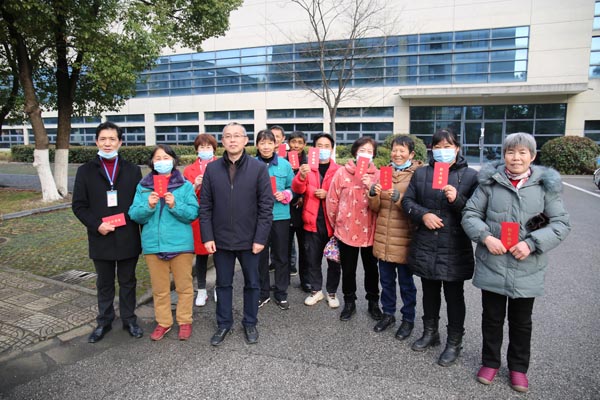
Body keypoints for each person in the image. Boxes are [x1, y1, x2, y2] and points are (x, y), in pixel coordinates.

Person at [462, 132, 571, 393]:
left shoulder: (545, 186)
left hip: (527, 266)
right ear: (504, 155)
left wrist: (532, 243)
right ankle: (490, 362)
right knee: (492, 318)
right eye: (511, 152)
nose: (516, 157)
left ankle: (518, 368)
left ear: (532, 156)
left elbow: (560, 223)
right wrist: (486, 237)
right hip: (493, 262)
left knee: (521, 322)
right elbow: (470, 214)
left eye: (522, 152)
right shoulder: (490, 183)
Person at [402, 128, 478, 367]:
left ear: (457, 149)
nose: (442, 151)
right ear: (431, 149)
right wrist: (423, 215)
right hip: (426, 242)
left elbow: (477, 212)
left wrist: (457, 199)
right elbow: (407, 201)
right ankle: (430, 332)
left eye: (448, 147)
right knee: (429, 290)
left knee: (454, 296)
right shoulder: (422, 173)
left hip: (454, 245)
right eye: (438, 147)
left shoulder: (471, 176)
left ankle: (454, 341)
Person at [199, 122, 274, 346]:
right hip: (221, 239)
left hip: (250, 240)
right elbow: (205, 206)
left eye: (237, 136)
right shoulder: (212, 169)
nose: (232, 140)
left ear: (245, 140)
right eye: (228, 136)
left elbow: (266, 206)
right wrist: (207, 236)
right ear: (222, 141)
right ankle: (224, 323)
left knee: (252, 283)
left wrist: (260, 238)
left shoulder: (258, 168)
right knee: (223, 284)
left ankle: (250, 322)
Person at [72, 121, 143, 343]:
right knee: (104, 283)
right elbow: (79, 205)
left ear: (120, 142)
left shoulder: (133, 170)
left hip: (128, 235)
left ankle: (129, 319)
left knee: (128, 281)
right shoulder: (85, 171)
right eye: (103, 139)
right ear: (96, 142)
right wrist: (96, 225)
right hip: (100, 236)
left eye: (112, 139)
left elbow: (140, 203)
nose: (108, 143)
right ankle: (104, 321)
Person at [128, 145, 198, 341]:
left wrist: (175, 205)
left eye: (165, 157)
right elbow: (134, 214)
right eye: (157, 158)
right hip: (153, 245)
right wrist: (148, 206)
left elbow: (193, 213)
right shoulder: (143, 186)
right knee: (159, 289)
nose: (162, 161)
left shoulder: (184, 185)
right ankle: (164, 322)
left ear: (173, 160)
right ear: (152, 162)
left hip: (180, 245)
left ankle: (184, 320)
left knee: (184, 287)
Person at [368, 135, 422, 340]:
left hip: (405, 238)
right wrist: (373, 194)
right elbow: (375, 208)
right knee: (387, 281)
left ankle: (408, 319)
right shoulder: (385, 173)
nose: (397, 154)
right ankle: (388, 314)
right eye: (394, 150)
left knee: (406, 284)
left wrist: (399, 199)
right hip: (384, 237)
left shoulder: (417, 175)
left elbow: (417, 209)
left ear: (411, 154)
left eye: (402, 150)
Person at [326, 137, 382, 321]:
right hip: (346, 230)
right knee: (348, 269)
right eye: (362, 150)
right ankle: (349, 302)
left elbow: (383, 204)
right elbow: (332, 200)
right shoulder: (342, 172)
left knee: (371, 269)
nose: (365, 154)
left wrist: (370, 186)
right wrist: (336, 224)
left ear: (374, 155)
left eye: (369, 151)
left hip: (370, 231)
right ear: (355, 152)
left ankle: (373, 302)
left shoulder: (378, 175)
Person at [293, 133, 342, 308]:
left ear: (332, 149)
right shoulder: (308, 169)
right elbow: (297, 189)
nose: (323, 149)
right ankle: (316, 291)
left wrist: (328, 195)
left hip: (333, 224)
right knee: (312, 259)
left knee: (334, 261)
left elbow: (344, 195)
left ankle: (332, 292)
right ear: (314, 148)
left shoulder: (339, 170)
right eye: (319, 146)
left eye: (327, 146)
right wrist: (301, 176)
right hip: (312, 222)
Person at [255, 129, 295, 310]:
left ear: (276, 145)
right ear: (257, 145)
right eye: (262, 143)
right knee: (260, 256)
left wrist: (285, 194)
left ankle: (281, 292)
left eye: (269, 143)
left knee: (281, 256)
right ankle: (263, 292)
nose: (266, 146)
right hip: (258, 218)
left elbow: (293, 187)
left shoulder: (285, 165)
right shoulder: (250, 165)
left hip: (280, 216)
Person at [183, 133, 218, 307]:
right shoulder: (189, 170)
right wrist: (195, 185)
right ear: (196, 150)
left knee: (221, 254)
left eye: (208, 147)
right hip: (198, 215)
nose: (205, 150)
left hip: (219, 214)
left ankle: (220, 286)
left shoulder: (222, 165)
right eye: (202, 147)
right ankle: (202, 289)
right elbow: (183, 195)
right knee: (202, 254)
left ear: (214, 149)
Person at [287, 130, 309, 286]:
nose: (296, 145)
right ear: (288, 143)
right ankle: (284, 279)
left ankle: (305, 280)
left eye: (300, 142)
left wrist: (302, 196)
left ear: (305, 144)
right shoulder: (282, 159)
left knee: (305, 248)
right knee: (285, 247)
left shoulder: (311, 162)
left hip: (303, 210)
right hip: (287, 208)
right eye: (293, 142)